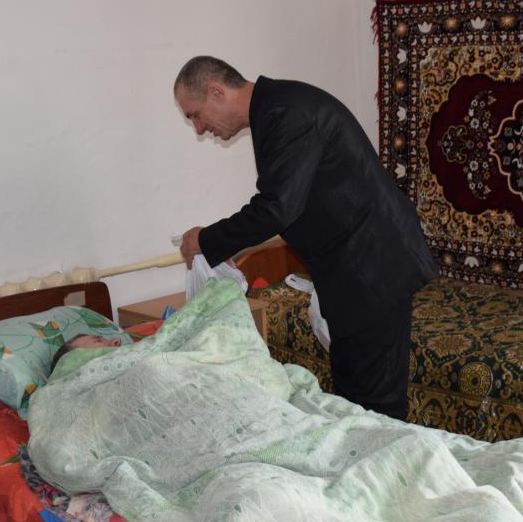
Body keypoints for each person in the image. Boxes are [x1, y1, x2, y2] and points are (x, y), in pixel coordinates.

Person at [173, 56, 436, 420]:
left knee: (379, 406)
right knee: (353, 400)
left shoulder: (286, 113)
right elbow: (294, 202)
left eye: (196, 115)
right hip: (350, 270)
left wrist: (207, 240)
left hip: (374, 267)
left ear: (217, 92)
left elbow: (277, 208)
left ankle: (400, 459)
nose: (200, 128)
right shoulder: (275, 109)